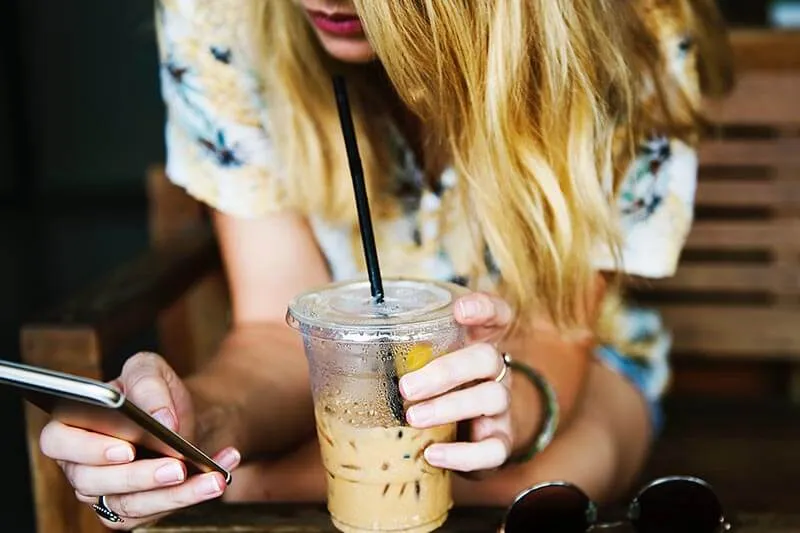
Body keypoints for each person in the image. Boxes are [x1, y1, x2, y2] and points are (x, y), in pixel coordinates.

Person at [39, 0, 734, 529]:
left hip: (571, 361)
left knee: (542, 480)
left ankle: (249, 481)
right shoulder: (224, 19)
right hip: (338, 389)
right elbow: (276, 332)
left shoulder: (631, 30)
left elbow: (559, 330)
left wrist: (506, 409)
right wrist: (204, 422)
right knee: (429, 485)